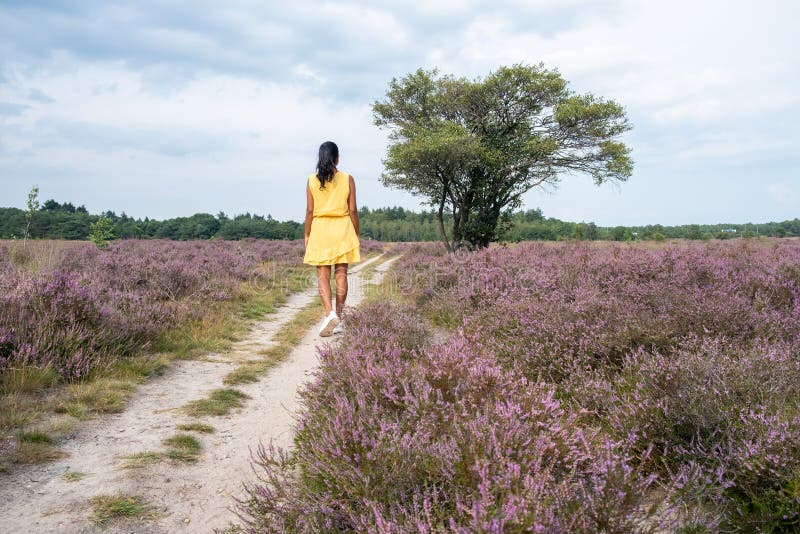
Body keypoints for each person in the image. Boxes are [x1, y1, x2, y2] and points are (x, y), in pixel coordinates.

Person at [303, 141, 360, 337]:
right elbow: (352, 210)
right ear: (337, 157)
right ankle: (339, 317)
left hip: (320, 229)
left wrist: (307, 233)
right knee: (341, 274)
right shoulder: (348, 178)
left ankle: (329, 314)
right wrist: (356, 233)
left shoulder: (311, 180)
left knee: (323, 276)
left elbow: (310, 210)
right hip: (342, 228)